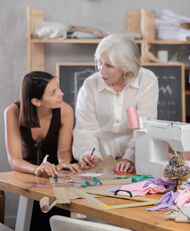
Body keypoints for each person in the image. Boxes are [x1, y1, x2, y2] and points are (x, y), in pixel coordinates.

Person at [72, 34, 159, 174]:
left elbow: (144, 126)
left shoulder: (147, 80)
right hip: (101, 158)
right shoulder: (90, 85)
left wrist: (130, 158)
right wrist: (90, 155)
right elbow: (86, 129)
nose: (101, 70)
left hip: (135, 158)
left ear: (126, 67)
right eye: (100, 62)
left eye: (109, 66)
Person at [4, 71, 79, 231]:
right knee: (30, 221)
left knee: (56, 219)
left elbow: (64, 150)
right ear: (36, 101)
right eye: (53, 92)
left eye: (58, 88)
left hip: (56, 174)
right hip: (28, 172)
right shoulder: (12, 112)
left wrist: (64, 162)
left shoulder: (65, 110)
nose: (61, 93)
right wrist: (36, 169)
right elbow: (15, 160)